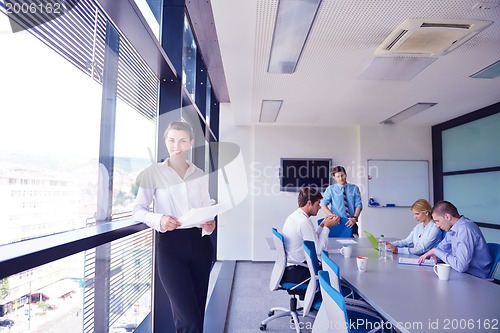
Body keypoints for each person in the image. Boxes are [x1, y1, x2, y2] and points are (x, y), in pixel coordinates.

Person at [132, 121, 216, 332]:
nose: (176, 146)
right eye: (171, 140)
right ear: (165, 142)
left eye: (182, 140)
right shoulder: (153, 172)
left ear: (191, 143)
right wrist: (159, 219)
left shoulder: (199, 174)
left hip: (200, 245)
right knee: (188, 319)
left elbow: (206, 208)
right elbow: (138, 210)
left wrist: (209, 224)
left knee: (197, 313)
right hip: (170, 247)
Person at [418, 200, 492, 278]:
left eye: (437, 221)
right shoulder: (453, 229)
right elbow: (442, 248)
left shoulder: (465, 230)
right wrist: (435, 254)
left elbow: (460, 266)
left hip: (476, 278)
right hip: (462, 274)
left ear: (447, 216)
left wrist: (435, 251)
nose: (437, 225)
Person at [281, 186, 340, 284]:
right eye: (318, 204)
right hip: (297, 271)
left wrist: (321, 225)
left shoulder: (295, 216)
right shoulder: (304, 222)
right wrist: (327, 227)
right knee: (334, 271)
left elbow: (311, 241)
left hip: (290, 269)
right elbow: (319, 250)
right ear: (309, 203)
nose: (320, 207)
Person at [320, 165, 362, 237]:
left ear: (345, 174)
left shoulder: (354, 188)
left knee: (354, 245)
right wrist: (332, 216)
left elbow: (359, 205)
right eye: (338, 177)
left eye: (342, 175)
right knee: (335, 246)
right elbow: (323, 204)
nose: (341, 178)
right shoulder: (330, 189)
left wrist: (354, 218)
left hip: (351, 222)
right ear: (334, 178)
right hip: (337, 223)